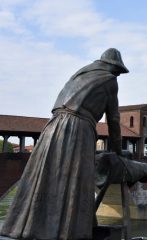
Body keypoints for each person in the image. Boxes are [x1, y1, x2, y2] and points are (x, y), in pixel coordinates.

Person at [0, 48, 128, 239]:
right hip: (78, 129)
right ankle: (69, 232)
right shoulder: (109, 80)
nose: (117, 75)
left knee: (43, 177)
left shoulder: (79, 74)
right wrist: (118, 150)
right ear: (113, 66)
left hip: (51, 127)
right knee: (77, 178)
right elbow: (114, 120)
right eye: (117, 71)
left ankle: (25, 228)